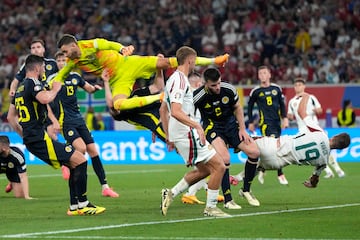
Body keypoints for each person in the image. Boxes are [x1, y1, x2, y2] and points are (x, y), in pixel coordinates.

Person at [11, 54, 105, 215]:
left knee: (74, 162)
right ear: (37, 67)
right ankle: (83, 204)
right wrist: (55, 89)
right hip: (39, 138)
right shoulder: (33, 83)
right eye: (42, 68)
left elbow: (10, 117)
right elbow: (45, 98)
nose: (43, 71)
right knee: (81, 161)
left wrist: (24, 136)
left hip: (33, 138)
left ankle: (74, 206)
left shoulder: (19, 89)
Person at [53, 34, 229, 112]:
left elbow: (108, 44)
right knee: (118, 104)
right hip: (117, 79)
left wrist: (123, 48)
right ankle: (160, 97)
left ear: (73, 45)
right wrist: (49, 87)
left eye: (66, 51)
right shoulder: (71, 62)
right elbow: (61, 76)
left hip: (129, 63)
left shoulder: (89, 45)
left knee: (168, 61)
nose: (65, 55)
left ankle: (214, 60)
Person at [159, 46, 230, 217]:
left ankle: (171, 193)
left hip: (182, 133)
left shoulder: (173, 79)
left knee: (205, 170)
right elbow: (175, 111)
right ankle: (211, 208)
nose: (196, 63)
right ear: (190, 60)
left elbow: (164, 109)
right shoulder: (180, 81)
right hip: (187, 132)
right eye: (195, 60)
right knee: (220, 166)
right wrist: (197, 126)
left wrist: (169, 136)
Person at [50, 51, 119, 198]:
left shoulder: (75, 77)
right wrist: (53, 120)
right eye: (59, 60)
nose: (62, 63)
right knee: (80, 148)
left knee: (93, 151)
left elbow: (89, 88)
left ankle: (105, 187)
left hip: (78, 119)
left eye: (64, 60)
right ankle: (64, 160)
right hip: (65, 120)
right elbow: (44, 99)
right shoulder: (53, 80)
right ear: (56, 63)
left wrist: (99, 85)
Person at [192, 67, 260, 209]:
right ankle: (228, 200)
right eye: (213, 85)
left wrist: (242, 129)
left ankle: (246, 190)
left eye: (218, 83)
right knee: (225, 158)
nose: (217, 88)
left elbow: (238, 108)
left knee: (254, 152)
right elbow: (187, 114)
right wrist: (196, 131)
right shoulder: (197, 96)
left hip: (231, 126)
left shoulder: (228, 89)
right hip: (213, 128)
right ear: (205, 83)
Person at [253, 93, 350, 190]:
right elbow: (314, 179)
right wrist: (312, 184)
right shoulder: (324, 161)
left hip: (277, 145)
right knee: (254, 169)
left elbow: (301, 111)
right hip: (278, 163)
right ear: (340, 149)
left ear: (335, 136)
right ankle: (241, 183)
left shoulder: (320, 133)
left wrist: (306, 96)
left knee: (244, 142)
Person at [287, 77, 345, 179]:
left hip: (314, 128)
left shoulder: (311, 97)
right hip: (302, 130)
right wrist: (289, 117)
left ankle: (338, 169)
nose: (297, 87)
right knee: (316, 153)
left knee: (325, 149)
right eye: (296, 85)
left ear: (304, 86)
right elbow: (290, 115)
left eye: (300, 85)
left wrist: (315, 111)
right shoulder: (292, 102)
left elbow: (320, 109)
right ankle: (329, 172)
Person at [246, 65, 289, 185]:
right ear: (258, 76)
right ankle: (280, 174)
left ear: (269, 74)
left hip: (277, 123)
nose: (263, 76)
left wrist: (285, 118)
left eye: (265, 73)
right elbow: (249, 108)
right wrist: (250, 122)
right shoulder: (256, 91)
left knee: (274, 147)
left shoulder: (277, 88)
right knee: (274, 146)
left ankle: (262, 168)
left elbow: (282, 105)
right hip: (265, 123)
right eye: (260, 74)